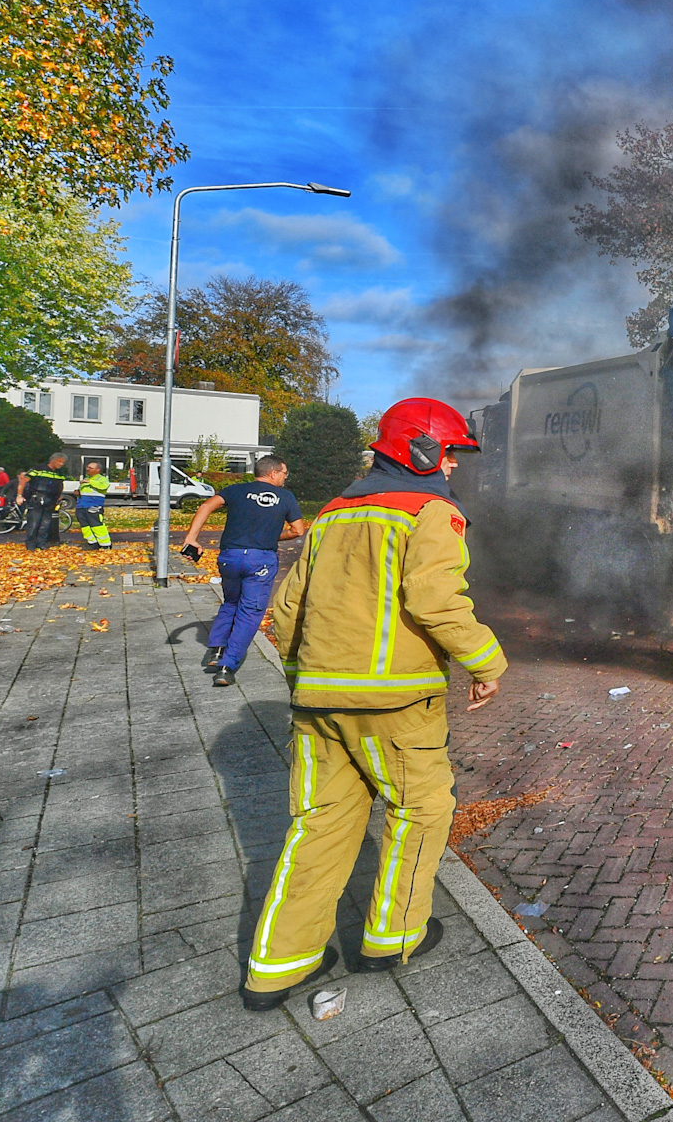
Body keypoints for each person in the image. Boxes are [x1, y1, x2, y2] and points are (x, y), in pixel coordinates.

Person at [242, 398, 506, 1011]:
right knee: (420, 811)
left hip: (315, 702)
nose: (454, 468)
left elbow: (284, 610)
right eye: (451, 454)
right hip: (395, 705)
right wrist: (487, 662)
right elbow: (437, 600)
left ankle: (278, 966)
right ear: (422, 450)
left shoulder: (332, 513)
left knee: (317, 825)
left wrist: (302, 680)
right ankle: (390, 938)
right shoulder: (431, 511)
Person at [182, 455, 306, 687]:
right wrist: (271, 536)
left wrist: (192, 538)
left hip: (230, 557)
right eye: (284, 473)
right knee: (250, 611)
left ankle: (216, 650)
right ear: (273, 473)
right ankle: (228, 666)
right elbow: (298, 530)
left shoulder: (236, 490)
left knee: (231, 602)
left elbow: (206, 506)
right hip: (260, 560)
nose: (285, 477)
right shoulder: (285, 497)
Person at [17, 454, 67, 551]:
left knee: (46, 523)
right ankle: (31, 544)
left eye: (63, 463)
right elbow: (23, 481)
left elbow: (60, 484)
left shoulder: (60, 473)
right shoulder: (38, 469)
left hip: (51, 500)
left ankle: (41, 543)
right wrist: (19, 495)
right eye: (59, 461)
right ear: (52, 460)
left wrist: (59, 496)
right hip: (37, 498)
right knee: (34, 522)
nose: (61, 464)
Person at [74, 462, 112, 549]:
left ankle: (105, 545)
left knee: (97, 525)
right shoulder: (86, 479)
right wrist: (77, 493)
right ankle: (92, 543)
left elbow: (104, 486)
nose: (87, 469)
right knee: (85, 526)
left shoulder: (101, 479)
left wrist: (90, 482)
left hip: (94, 506)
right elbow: (84, 492)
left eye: (90, 468)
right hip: (81, 505)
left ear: (97, 470)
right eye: (87, 467)